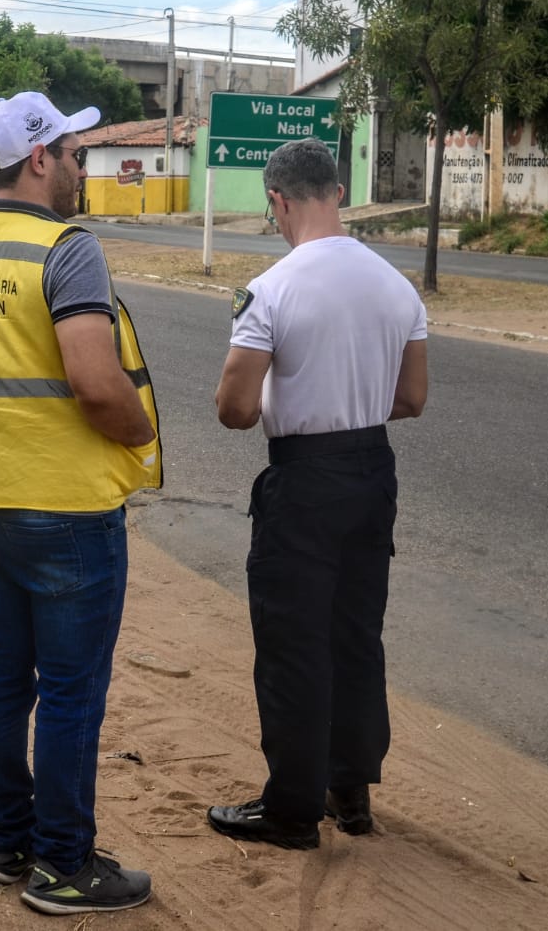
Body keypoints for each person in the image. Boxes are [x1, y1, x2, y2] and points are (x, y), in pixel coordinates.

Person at [0, 91, 162, 916]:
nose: (84, 167)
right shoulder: (67, 251)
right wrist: (138, 432)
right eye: (75, 152)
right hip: (67, 511)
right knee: (71, 691)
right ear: (40, 157)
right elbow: (96, 382)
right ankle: (63, 865)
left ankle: (6, 842)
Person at [207, 138, 428, 850]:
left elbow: (235, 408)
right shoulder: (397, 285)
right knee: (355, 634)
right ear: (336, 190)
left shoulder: (273, 288)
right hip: (372, 471)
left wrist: (296, 399)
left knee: (294, 643)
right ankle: (350, 790)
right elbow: (412, 397)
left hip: (304, 478)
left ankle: (291, 810)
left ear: (278, 200)